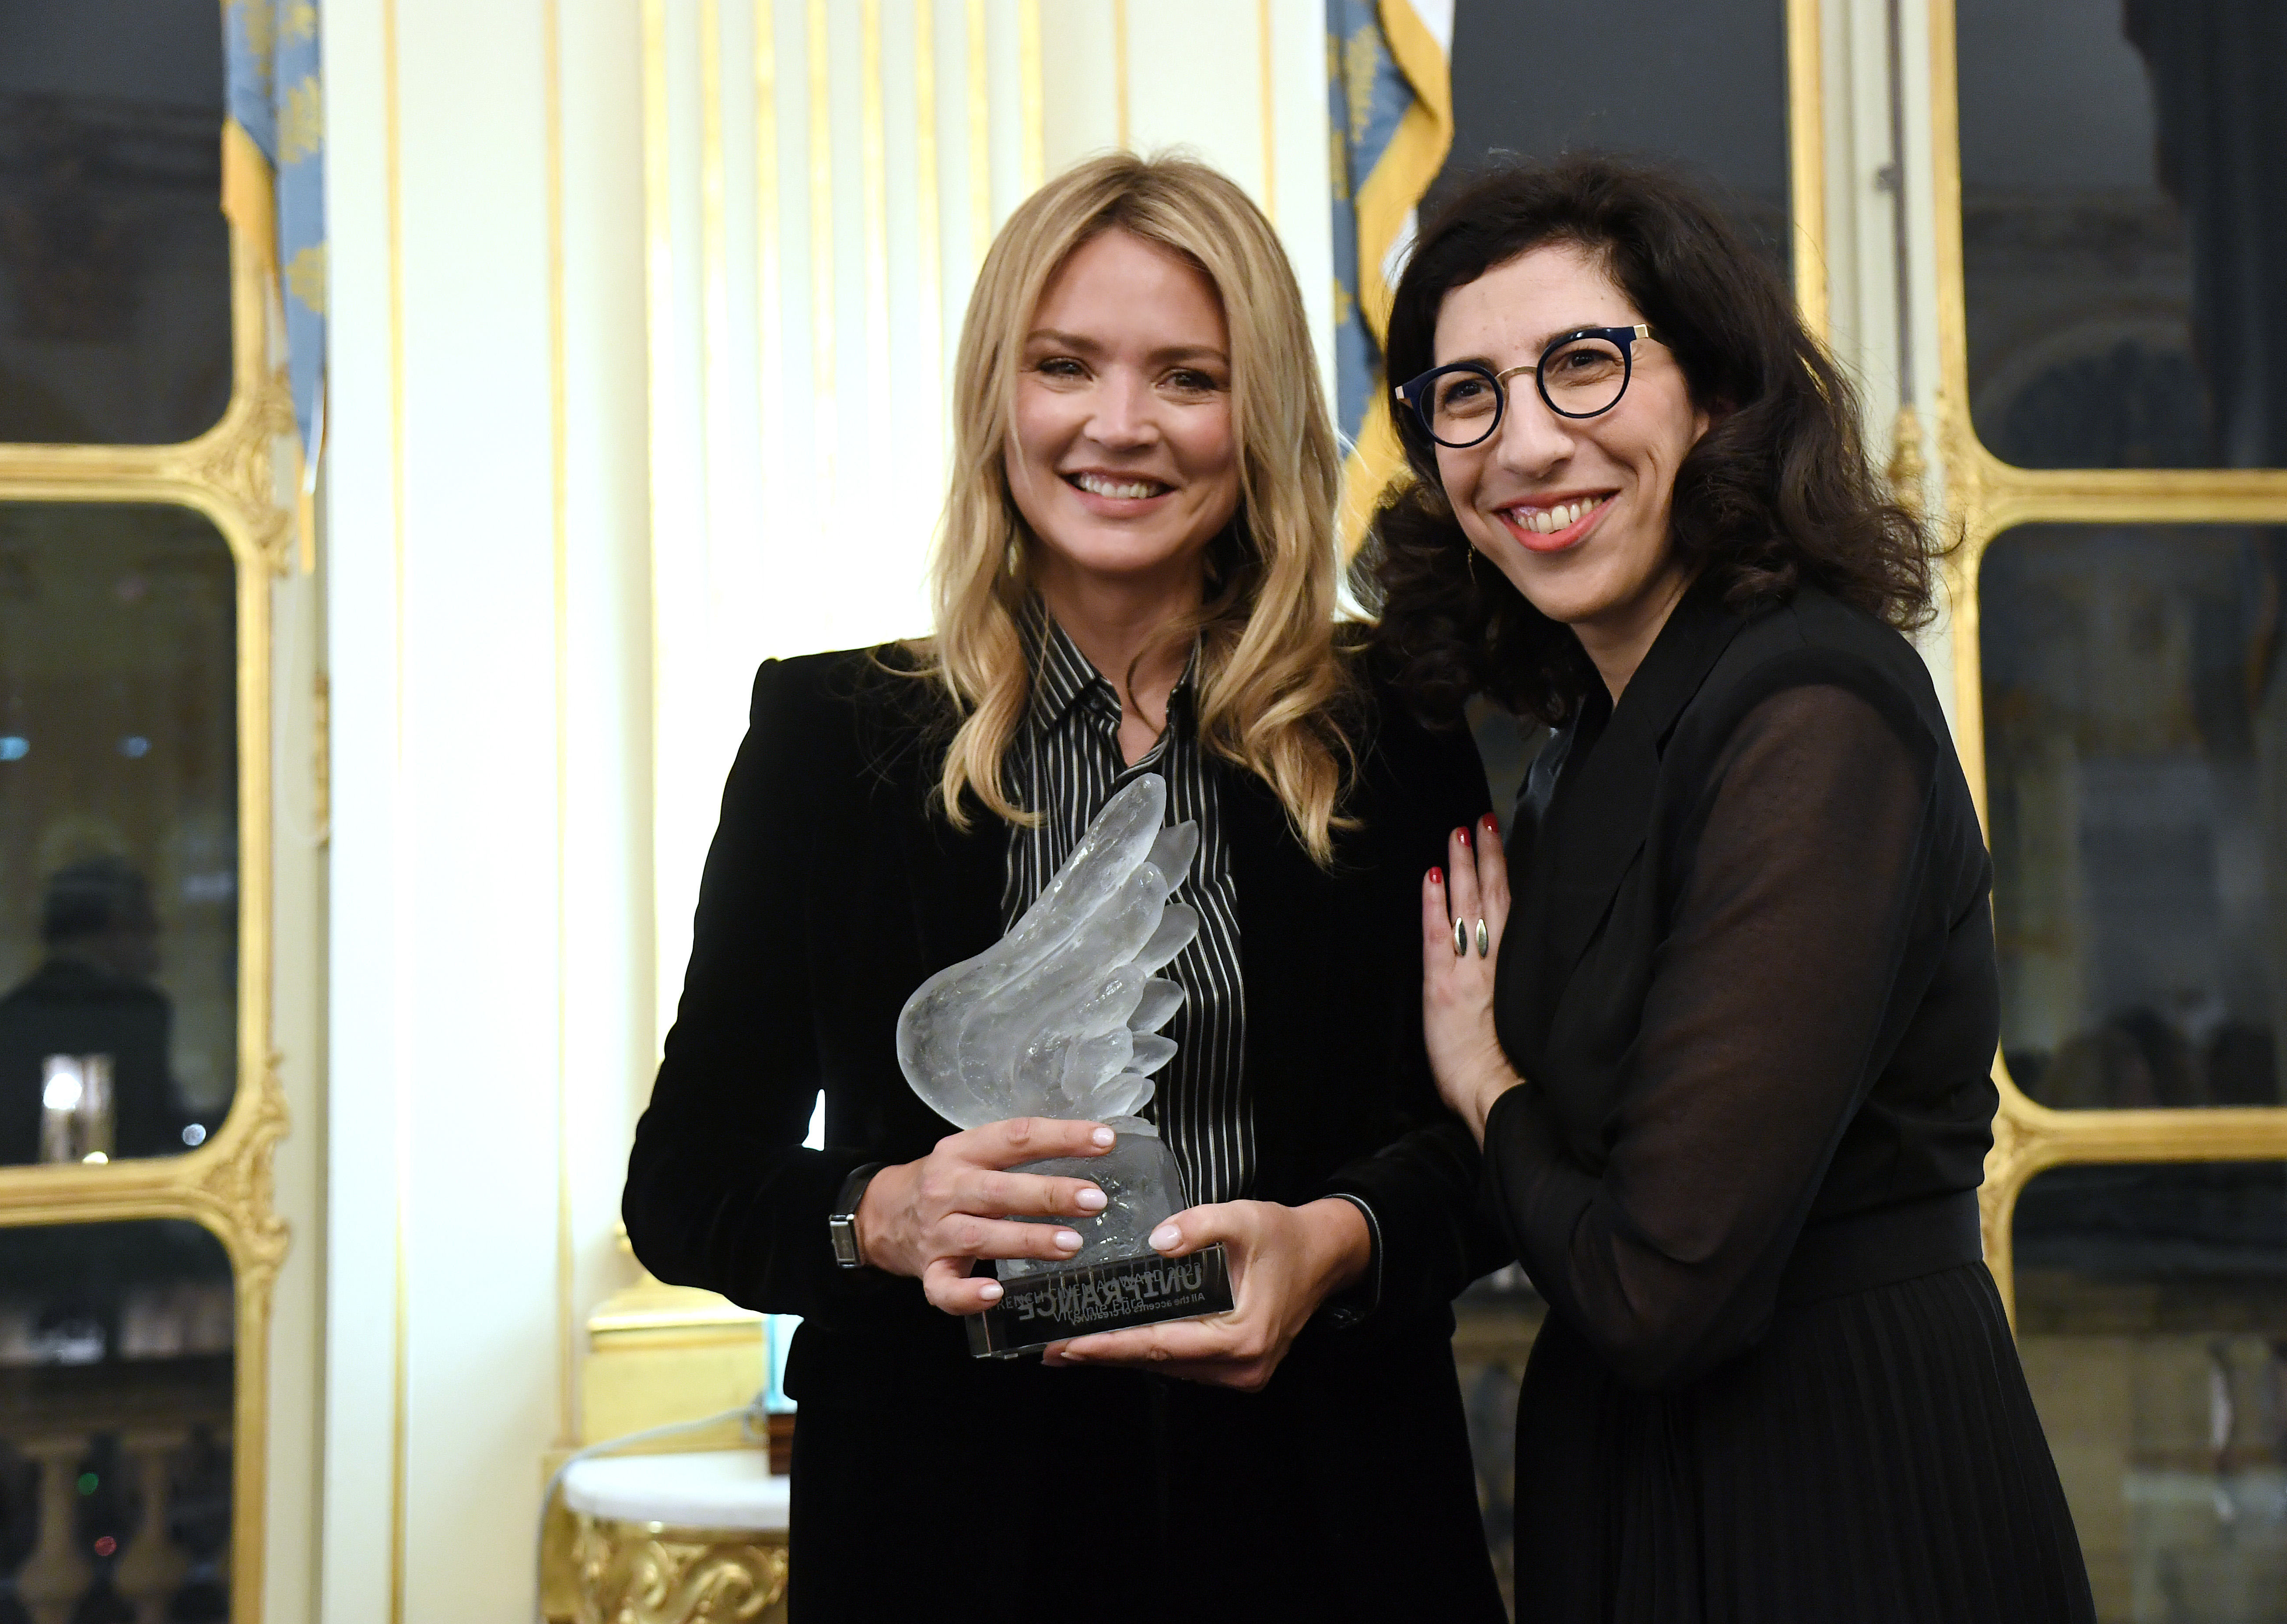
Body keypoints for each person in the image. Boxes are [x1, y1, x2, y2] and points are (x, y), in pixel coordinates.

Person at [623, 153, 1505, 1623]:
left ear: (1259, 416)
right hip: (947, 1549)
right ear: (998, 399)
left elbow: (1486, 1147)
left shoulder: (1394, 727)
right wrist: (881, 1216)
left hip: (1330, 1533)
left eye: (1184, 377)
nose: (1117, 425)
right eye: (1063, 365)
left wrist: (1331, 1241)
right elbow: (685, 1187)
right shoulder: (826, 741)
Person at [1358, 156, 2095, 1622]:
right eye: (1464, 396)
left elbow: (1652, 1286)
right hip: (1642, 1485)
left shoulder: (1808, 706)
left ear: (1710, 388)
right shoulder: (1595, 726)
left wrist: (1479, 1077)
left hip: (1838, 1496)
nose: (1521, 445)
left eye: (1579, 365)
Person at [0, 855, 211, 1165]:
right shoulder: (138, 1013)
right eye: (148, 927)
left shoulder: (13, 1015)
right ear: (119, 925)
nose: (156, 941)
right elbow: (151, 1131)